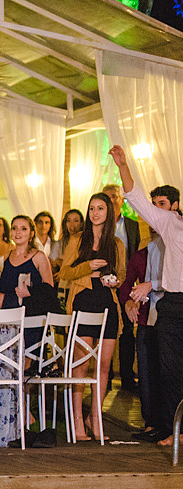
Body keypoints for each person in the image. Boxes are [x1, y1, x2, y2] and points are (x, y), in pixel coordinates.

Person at [112, 144, 183, 447]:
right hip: (175, 305)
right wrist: (124, 167)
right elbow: (138, 200)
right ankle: (172, 430)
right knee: (170, 371)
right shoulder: (171, 223)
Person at [58, 192, 126, 440]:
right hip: (84, 301)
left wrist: (115, 281)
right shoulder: (78, 240)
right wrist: (90, 267)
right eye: (92, 208)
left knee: (105, 366)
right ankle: (77, 422)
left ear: (109, 212)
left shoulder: (116, 243)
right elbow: (64, 272)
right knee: (81, 364)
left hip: (107, 302)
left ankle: (96, 419)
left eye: (100, 208)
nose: (95, 213)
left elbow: (122, 275)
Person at [120, 188, 178, 442]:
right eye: (153, 204)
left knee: (170, 371)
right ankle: (156, 425)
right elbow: (131, 282)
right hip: (154, 314)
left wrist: (151, 284)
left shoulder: (174, 234)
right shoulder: (152, 245)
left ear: (175, 206)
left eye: (161, 204)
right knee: (152, 372)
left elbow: (171, 279)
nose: (155, 209)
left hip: (170, 309)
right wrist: (131, 302)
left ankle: (171, 428)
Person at [104, 182, 142, 391]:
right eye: (107, 197)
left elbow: (135, 254)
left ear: (121, 200)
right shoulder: (99, 225)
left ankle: (127, 378)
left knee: (128, 332)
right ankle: (105, 378)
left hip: (126, 284)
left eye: (114, 196)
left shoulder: (132, 225)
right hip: (104, 285)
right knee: (107, 330)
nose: (111, 200)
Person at [55, 208, 85, 279]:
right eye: (68, 221)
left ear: (81, 223)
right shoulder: (61, 242)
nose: (72, 224)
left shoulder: (84, 241)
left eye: (76, 221)